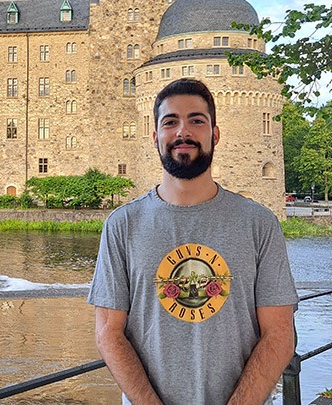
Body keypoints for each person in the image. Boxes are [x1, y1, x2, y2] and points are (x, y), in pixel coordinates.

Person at [87, 79, 298, 404]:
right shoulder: (121, 225)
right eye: (170, 121)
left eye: (197, 120)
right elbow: (108, 333)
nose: (183, 132)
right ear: (154, 135)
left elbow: (280, 334)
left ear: (215, 133)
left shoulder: (260, 224)